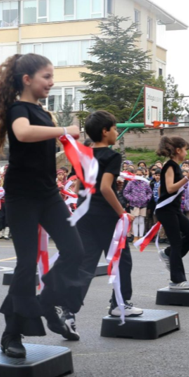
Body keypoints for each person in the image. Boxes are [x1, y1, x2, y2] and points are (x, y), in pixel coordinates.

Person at [0, 53, 85, 359]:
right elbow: (23, 134)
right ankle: (11, 334)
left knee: (75, 251)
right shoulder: (19, 109)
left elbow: (45, 152)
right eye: (47, 77)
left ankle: (45, 301)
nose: (51, 83)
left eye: (52, 77)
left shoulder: (45, 113)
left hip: (48, 193)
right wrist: (65, 130)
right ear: (27, 79)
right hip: (22, 196)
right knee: (26, 264)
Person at [77, 111, 141, 317]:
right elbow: (105, 188)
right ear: (105, 132)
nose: (116, 132)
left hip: (85, 215)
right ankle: (120, 304)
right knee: (122, 260)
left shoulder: (84, 154)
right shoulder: (112, 155)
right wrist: (123, 213)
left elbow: (81, 186)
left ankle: (68, 309)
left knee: (87, 264)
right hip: (106, 217)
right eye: (114, 129)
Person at [155, 136, 189, 290]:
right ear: (178, 150)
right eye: (185, 149)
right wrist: (187, 178)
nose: (186, 153)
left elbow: (163, 189)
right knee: (176, 243)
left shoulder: (175, 166)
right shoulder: (170, 165)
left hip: (173, 209)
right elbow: (170, 187)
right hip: (167, 210)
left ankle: (167, 254)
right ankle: (177, 280)